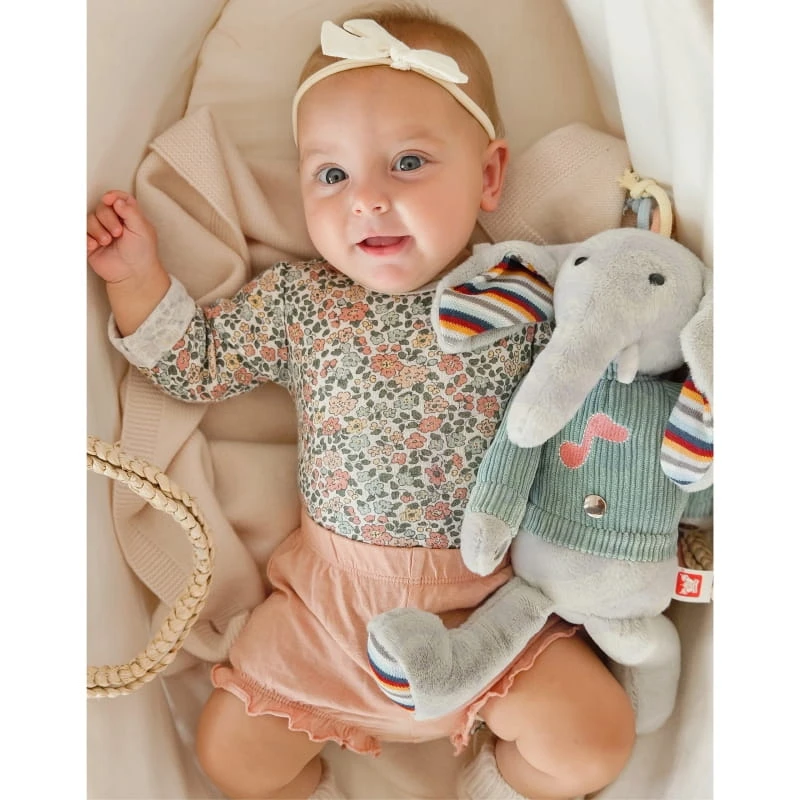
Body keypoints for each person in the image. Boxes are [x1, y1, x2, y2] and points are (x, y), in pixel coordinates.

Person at [86, 5, 635, 799]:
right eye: (332, 175)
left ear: (488, 176)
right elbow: (194, 366)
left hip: (492, 606)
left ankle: (497, 785)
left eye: (408, 163)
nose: (367, 199)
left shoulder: (525, 293)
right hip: (329, 613)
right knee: (229, 756)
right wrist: (139, 278)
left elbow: (610, 373)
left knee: (594, 740)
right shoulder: (303, 301)